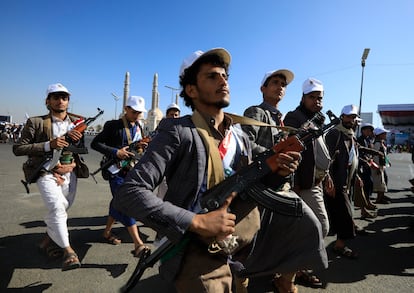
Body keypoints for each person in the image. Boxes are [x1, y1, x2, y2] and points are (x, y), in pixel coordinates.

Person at [113, 48, 327, 293]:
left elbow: (252, 187)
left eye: (224, 75)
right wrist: (196, 220)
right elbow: (129, 193)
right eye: (212, 76)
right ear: (191, 90)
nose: (223, 80)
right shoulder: (178, 131)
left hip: (241, 239)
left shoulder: (238, 135)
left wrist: (278, 170)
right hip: (196, 249)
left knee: (306, 224)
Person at [13, 83, 86, 271]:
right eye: (56, 97)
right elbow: (18, 148)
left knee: (61, 209)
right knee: (56, 207)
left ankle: (46, 242)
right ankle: (69, 251)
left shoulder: (77, 124)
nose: (60, 101)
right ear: (48, 101)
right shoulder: (36, 122)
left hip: (70, 174)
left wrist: (72, 165)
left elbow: (79, 151)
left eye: (64, 97)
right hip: (44, 172)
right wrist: (48, 145)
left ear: (68, 101)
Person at [284, 78, 331, 288]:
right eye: (312, 97)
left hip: (316, 183)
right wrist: (294, 183)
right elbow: (289, 151)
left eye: (319, 98)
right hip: (301, 186)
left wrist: (326, 174)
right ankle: (290, 274)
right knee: (318, 227)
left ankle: (293, 271)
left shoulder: (317, 119)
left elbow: (319, 151)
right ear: (303, 98)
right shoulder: (294, 117)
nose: (317, 102)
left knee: (316, 228)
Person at [90, 95, 149, 257]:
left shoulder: (138, 126)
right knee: (126, 203)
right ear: (126, 109)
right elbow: (95, 144)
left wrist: (141, 147)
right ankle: (138, 244)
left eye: (139, 112)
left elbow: (136, 149)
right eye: (134, 111)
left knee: (117, 202)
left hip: (130, 172)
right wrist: (116, 152)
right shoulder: (113, 126)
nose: (137, 115)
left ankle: (107, 232)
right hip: (115, 172)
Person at [324, 104, 361, 259]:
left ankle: (338, 244)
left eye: (353, 117)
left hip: (346, 181)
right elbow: (327, 159)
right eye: (348, 116)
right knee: (343, 214)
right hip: (335, 183)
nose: (351, 119)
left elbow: (352, 159)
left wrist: (356, 176)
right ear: (342, 117)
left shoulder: (350, 135)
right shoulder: (335, 133)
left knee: (338, 214)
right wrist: (328, 180)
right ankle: (338, 246)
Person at [355, 123, 378, 218]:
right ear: (363, 130)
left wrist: (370, 160)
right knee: (362, 189)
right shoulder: (359, 140)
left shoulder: (368, 140)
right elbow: (358, 154)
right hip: (361, 167)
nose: (369, 132)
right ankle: (363, 210)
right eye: (368, 130)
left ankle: (367, 203)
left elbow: (368, 152)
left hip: (367, 166)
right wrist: (365, 161)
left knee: (369, 185)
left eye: (370, 130)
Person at [371, 127, 390, 204]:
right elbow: (376, 156)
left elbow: (383, 155)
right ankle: (379, 199)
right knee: (380, 182)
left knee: (383, 181)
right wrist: (378, 167)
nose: (386, 135)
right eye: (384, 134)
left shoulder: (381, 142)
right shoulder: (377, 143)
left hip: (381, 165)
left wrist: (387, 162)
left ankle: (381, 197)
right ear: (380, 135)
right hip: (378, 166)